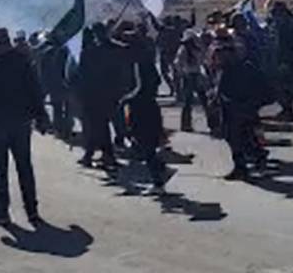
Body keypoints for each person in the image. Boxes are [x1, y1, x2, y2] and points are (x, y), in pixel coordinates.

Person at [0, 28, 50, 225]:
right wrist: (41, 117)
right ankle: (32, 211)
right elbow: (35, 91)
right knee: (24, 167)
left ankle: (1, 212)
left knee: (0, 171)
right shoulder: (23, 62)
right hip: (21, 123)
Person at [118, 24, 172, 193]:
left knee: (145, 144)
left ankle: (158, 182)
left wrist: (123, 99)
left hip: (141, 108)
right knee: (146, 144)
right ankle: (159, 171)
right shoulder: (146, 59)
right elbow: (155, 81)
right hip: (150, 106)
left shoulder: (137, 63)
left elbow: (138, 87)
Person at [215, 40, 272, 179]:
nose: (221, 58)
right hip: (231, 109)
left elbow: (262, 88)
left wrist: (251, 104)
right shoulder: (226, 69)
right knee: (235, 138)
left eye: (225, 54)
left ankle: (249, 162)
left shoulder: (245, 68)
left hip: (242, 109)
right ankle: (253, 158)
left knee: (239, 138)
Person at [77, 24, 122, 169]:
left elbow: (82, 76)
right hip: (112, 94)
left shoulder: (89, 52)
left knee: (97, 126)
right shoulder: (117, 49)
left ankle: (100, 155)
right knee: (101, 126)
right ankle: (97, 155)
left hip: (95, 95)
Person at [174, 29, 210, 132]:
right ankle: (187, 125)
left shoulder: (193, 49)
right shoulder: (186, 50)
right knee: (193, 101)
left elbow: (177, 63)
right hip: (191, 76)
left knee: (199, 101)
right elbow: (177, 63)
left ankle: (211, 124)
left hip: (194, 76)